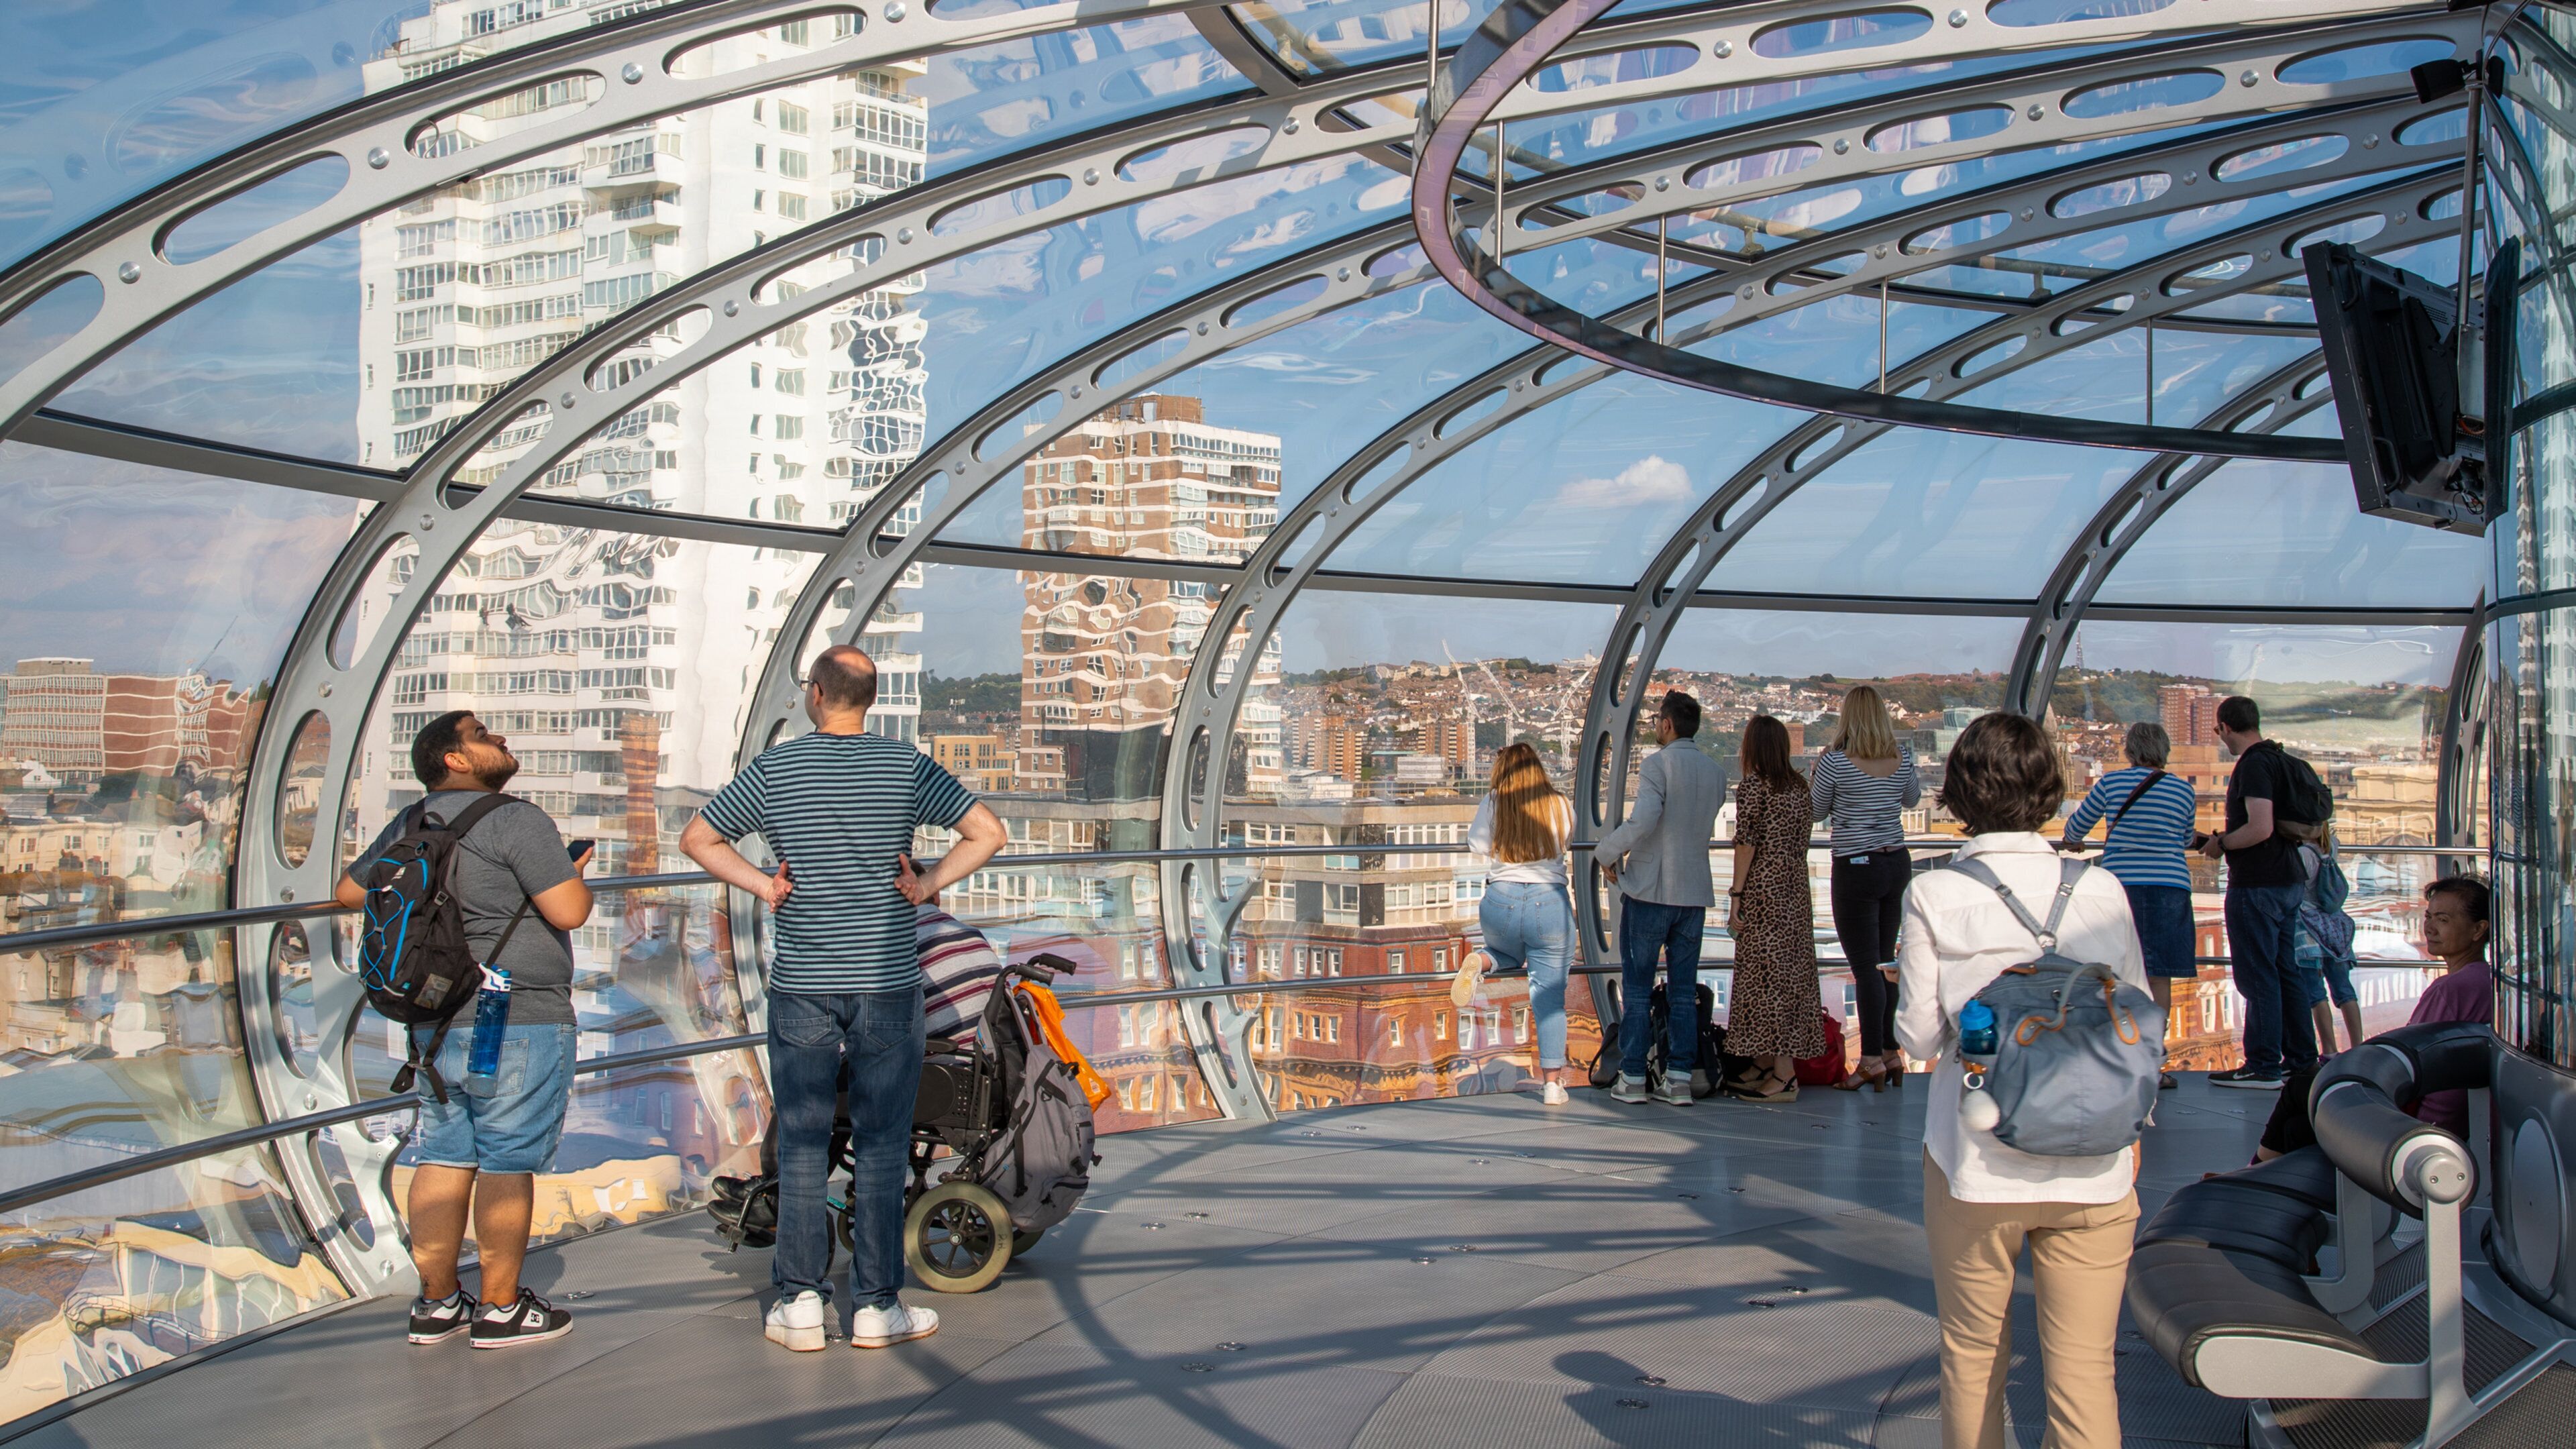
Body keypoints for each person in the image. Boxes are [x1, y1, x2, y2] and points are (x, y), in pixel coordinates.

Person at [680, 646, 1008, 1353]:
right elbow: (988, 833)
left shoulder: (775, 770)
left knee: (802, 1141)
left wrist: (766, 885)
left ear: (817, 692)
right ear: (869, 697)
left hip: (802, 983)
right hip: (888, 983)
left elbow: (699, 837)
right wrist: (923, 886)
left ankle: (800, 1302)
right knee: (885, 1145)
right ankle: (875, 1308)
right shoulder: (904, 765)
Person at [1896, 712, 2144, 1449]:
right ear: (2051, 792)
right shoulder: (2103, 890)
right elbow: (2134, 1023)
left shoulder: (1935, 894)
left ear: (1959, 794)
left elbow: (1914, 1038)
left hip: (1978, 1161)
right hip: (2098, 1162)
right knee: (2084, 1373)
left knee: (1973, 1357)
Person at [338, 710, 596, 1349]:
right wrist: (571, 874)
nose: (501, 739)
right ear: (453, 758)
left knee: (446, 1151)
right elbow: (569, 910)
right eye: (483, 734)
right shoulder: (517, 819)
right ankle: (501, 1309)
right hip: (516, 1017)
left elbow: (350, 891)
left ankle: (436, 1303)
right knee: (507, 1158)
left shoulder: (413, 820)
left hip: (433, 1016)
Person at [2255, 875, 2494, 1159]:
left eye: (2442, 920)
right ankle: (2253, 1176)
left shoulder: (2452, 989)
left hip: (2417, 1123)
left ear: (2479, 929)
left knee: (2300, 1091)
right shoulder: (2486, 980)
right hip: (2448, 1123)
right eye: (2428, 916)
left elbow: (2410, 1059)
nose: (2429, 927)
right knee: (2299, 1125)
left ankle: (2249, 1176)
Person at [1595, 690, 1726, 1106]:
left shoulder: (1656, 765)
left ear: (1668, 725)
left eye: (1656, 721)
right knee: (1683, 989)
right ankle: (1680, 1078)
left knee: (1637, 985)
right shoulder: (1715, 771)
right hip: (1694, 892)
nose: (1655, 727)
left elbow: (1645, 819)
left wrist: (1607, 852)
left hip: (1651, 890)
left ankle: (1633, 1076)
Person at [2060, 720, 2198, 1091]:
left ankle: (2117, 1058)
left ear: (2130, 751)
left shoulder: (2110, 784)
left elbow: (2076, 829)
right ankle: (2153, 1060)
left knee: (2116, 973)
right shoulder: (2182, 791)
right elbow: (2186, 838)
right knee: (2159, 977)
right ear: (2163, 751)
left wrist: (2074, 843)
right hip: (2170, 887)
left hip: (2119, 888)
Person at [2200, 696, 2316, 1089]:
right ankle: (2300, 1060)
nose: (2221, 739)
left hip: (2258, 883)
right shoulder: (2279, 758)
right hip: (2288, 879)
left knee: (2258, 976)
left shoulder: (2252, 765)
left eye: (2219, 731)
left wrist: (2222, 843)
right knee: (2287, 972)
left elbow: (2260, 827)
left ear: (2227, 727)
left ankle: (2263, 1064)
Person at [1811, 684, 1923, 1090]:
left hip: (1856, 866)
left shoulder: (1836, 763)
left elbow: (1816, 811)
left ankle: (1872, 1059)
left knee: (1865, 967)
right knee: (1885, 963)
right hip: (1897, 863)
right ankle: (1892, 1052)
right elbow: (1912, 800)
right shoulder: (1902, 757)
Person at [1720, 715, 1824, 1102]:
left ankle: (1783, 1075)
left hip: (1764, 890)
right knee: (1788, 974)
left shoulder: (1753, 788)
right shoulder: (1800, 788)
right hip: (1795, 891)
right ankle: (1764, 1062)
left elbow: (1746, 842)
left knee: (1765, 978)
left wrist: (1736, 894)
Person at [1467, 741, 1576, 1105]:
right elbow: (1566, 839)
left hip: (1502, 899)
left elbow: (1476, 844)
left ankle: (1485, 960)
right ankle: (1551, 1084)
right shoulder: (1559, 804)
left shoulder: (1495, 801)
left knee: (1506, 951)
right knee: (1549, 995)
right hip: (1550, 902)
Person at [2296, 834, 2367, 1055]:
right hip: (2334, 927)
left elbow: (2295, 889)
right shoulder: (2332, 845)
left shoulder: (2303, 854)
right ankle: (2359, 1046)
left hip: (2307, 928)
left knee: (2316, 994)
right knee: (2345, 990)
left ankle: (2329, 1049)